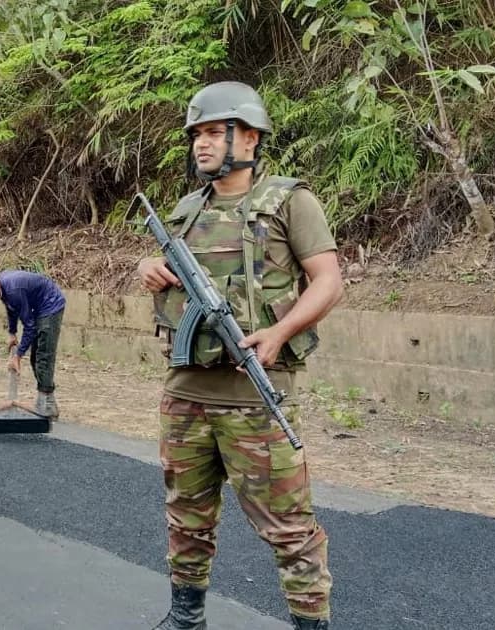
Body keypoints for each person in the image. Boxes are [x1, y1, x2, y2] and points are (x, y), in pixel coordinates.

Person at [135, 81, 344, 630]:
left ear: (248, 138)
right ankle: (185, 618)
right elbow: (169, 279)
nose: (201, 144)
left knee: (289, 527)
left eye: (212, 132)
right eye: (196, 135)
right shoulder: (184, 211)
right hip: (186, 393)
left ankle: (311, 623)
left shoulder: (289, 201)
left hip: (256, 397)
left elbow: (328, 282)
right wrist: (147, 270)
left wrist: (278, 334)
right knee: (186, 515)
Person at [0, 266, 65, 418]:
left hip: (50, 304)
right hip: (37, 307)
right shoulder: (2, 287)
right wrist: (12, 332)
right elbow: (11, 308)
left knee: (43, 356)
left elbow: (29, 326)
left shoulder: (13, 289)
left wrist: (17, 356)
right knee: (35, 358)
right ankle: (45, 401)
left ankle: (48, 405)